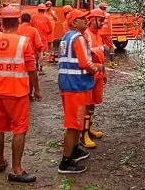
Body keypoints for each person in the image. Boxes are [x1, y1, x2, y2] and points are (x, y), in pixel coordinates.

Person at [0, 6, 42, 183]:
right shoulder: (24, 42)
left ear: (1, 21)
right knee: (19, 130)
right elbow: (31, 69)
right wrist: (37, 90)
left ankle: (1, 162)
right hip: (17, 93)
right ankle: (17, 170)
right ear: (17, 21)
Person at [57, 9, 103, 174]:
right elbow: (84, 63)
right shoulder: (78, 38)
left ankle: (75, 149)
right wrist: (98, 68)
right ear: (73, 22)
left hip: (70, 84)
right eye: (82, 18)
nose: (86, 20)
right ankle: (66, 162)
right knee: (73, 124)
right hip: (75, 86)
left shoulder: (66, 37)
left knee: (75, 123)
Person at [81, 9, 107, 148]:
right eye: (101, 20)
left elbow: (101, 56)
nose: (103, 23)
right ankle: (83, 134)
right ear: (92, 19)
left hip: (98, 75)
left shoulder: (99, 36)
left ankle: (89, 128)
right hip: (88, 75)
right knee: (86, 104)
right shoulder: (86, 35)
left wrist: (104, 72)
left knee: (92, 104)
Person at [17, 13, 44, 100]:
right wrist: (41, 57)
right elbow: (38, 45)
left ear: (21, 20)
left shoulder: (16, 29)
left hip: (16, 56)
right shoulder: (33, 30)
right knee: (31, 75)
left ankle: (19, 91)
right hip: (31, 57)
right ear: (30, 20)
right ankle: (29, 94)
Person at [30, 4, 52, 74]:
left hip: (34, 38)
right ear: (45, 10)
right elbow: (51, 29)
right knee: (42, 53)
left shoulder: (33, 17)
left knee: (35, 52)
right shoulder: (47, 18)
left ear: (38, 9)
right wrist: (46, 33)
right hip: (43, 38)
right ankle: (41, 68)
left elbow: (30, 26)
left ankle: (36, 65)